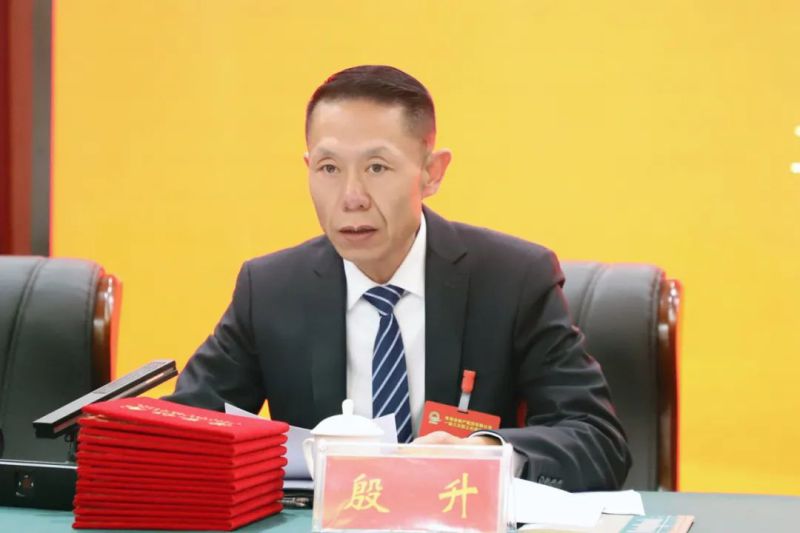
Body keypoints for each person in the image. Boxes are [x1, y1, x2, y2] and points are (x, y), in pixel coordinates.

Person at [166, 65, 631, 491]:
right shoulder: (270, 290)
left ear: (431, 173)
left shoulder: (512, 279)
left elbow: (597, 440)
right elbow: (181, 433)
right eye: (329, 168)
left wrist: (486, 454)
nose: (351, 197)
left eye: (377, 167)